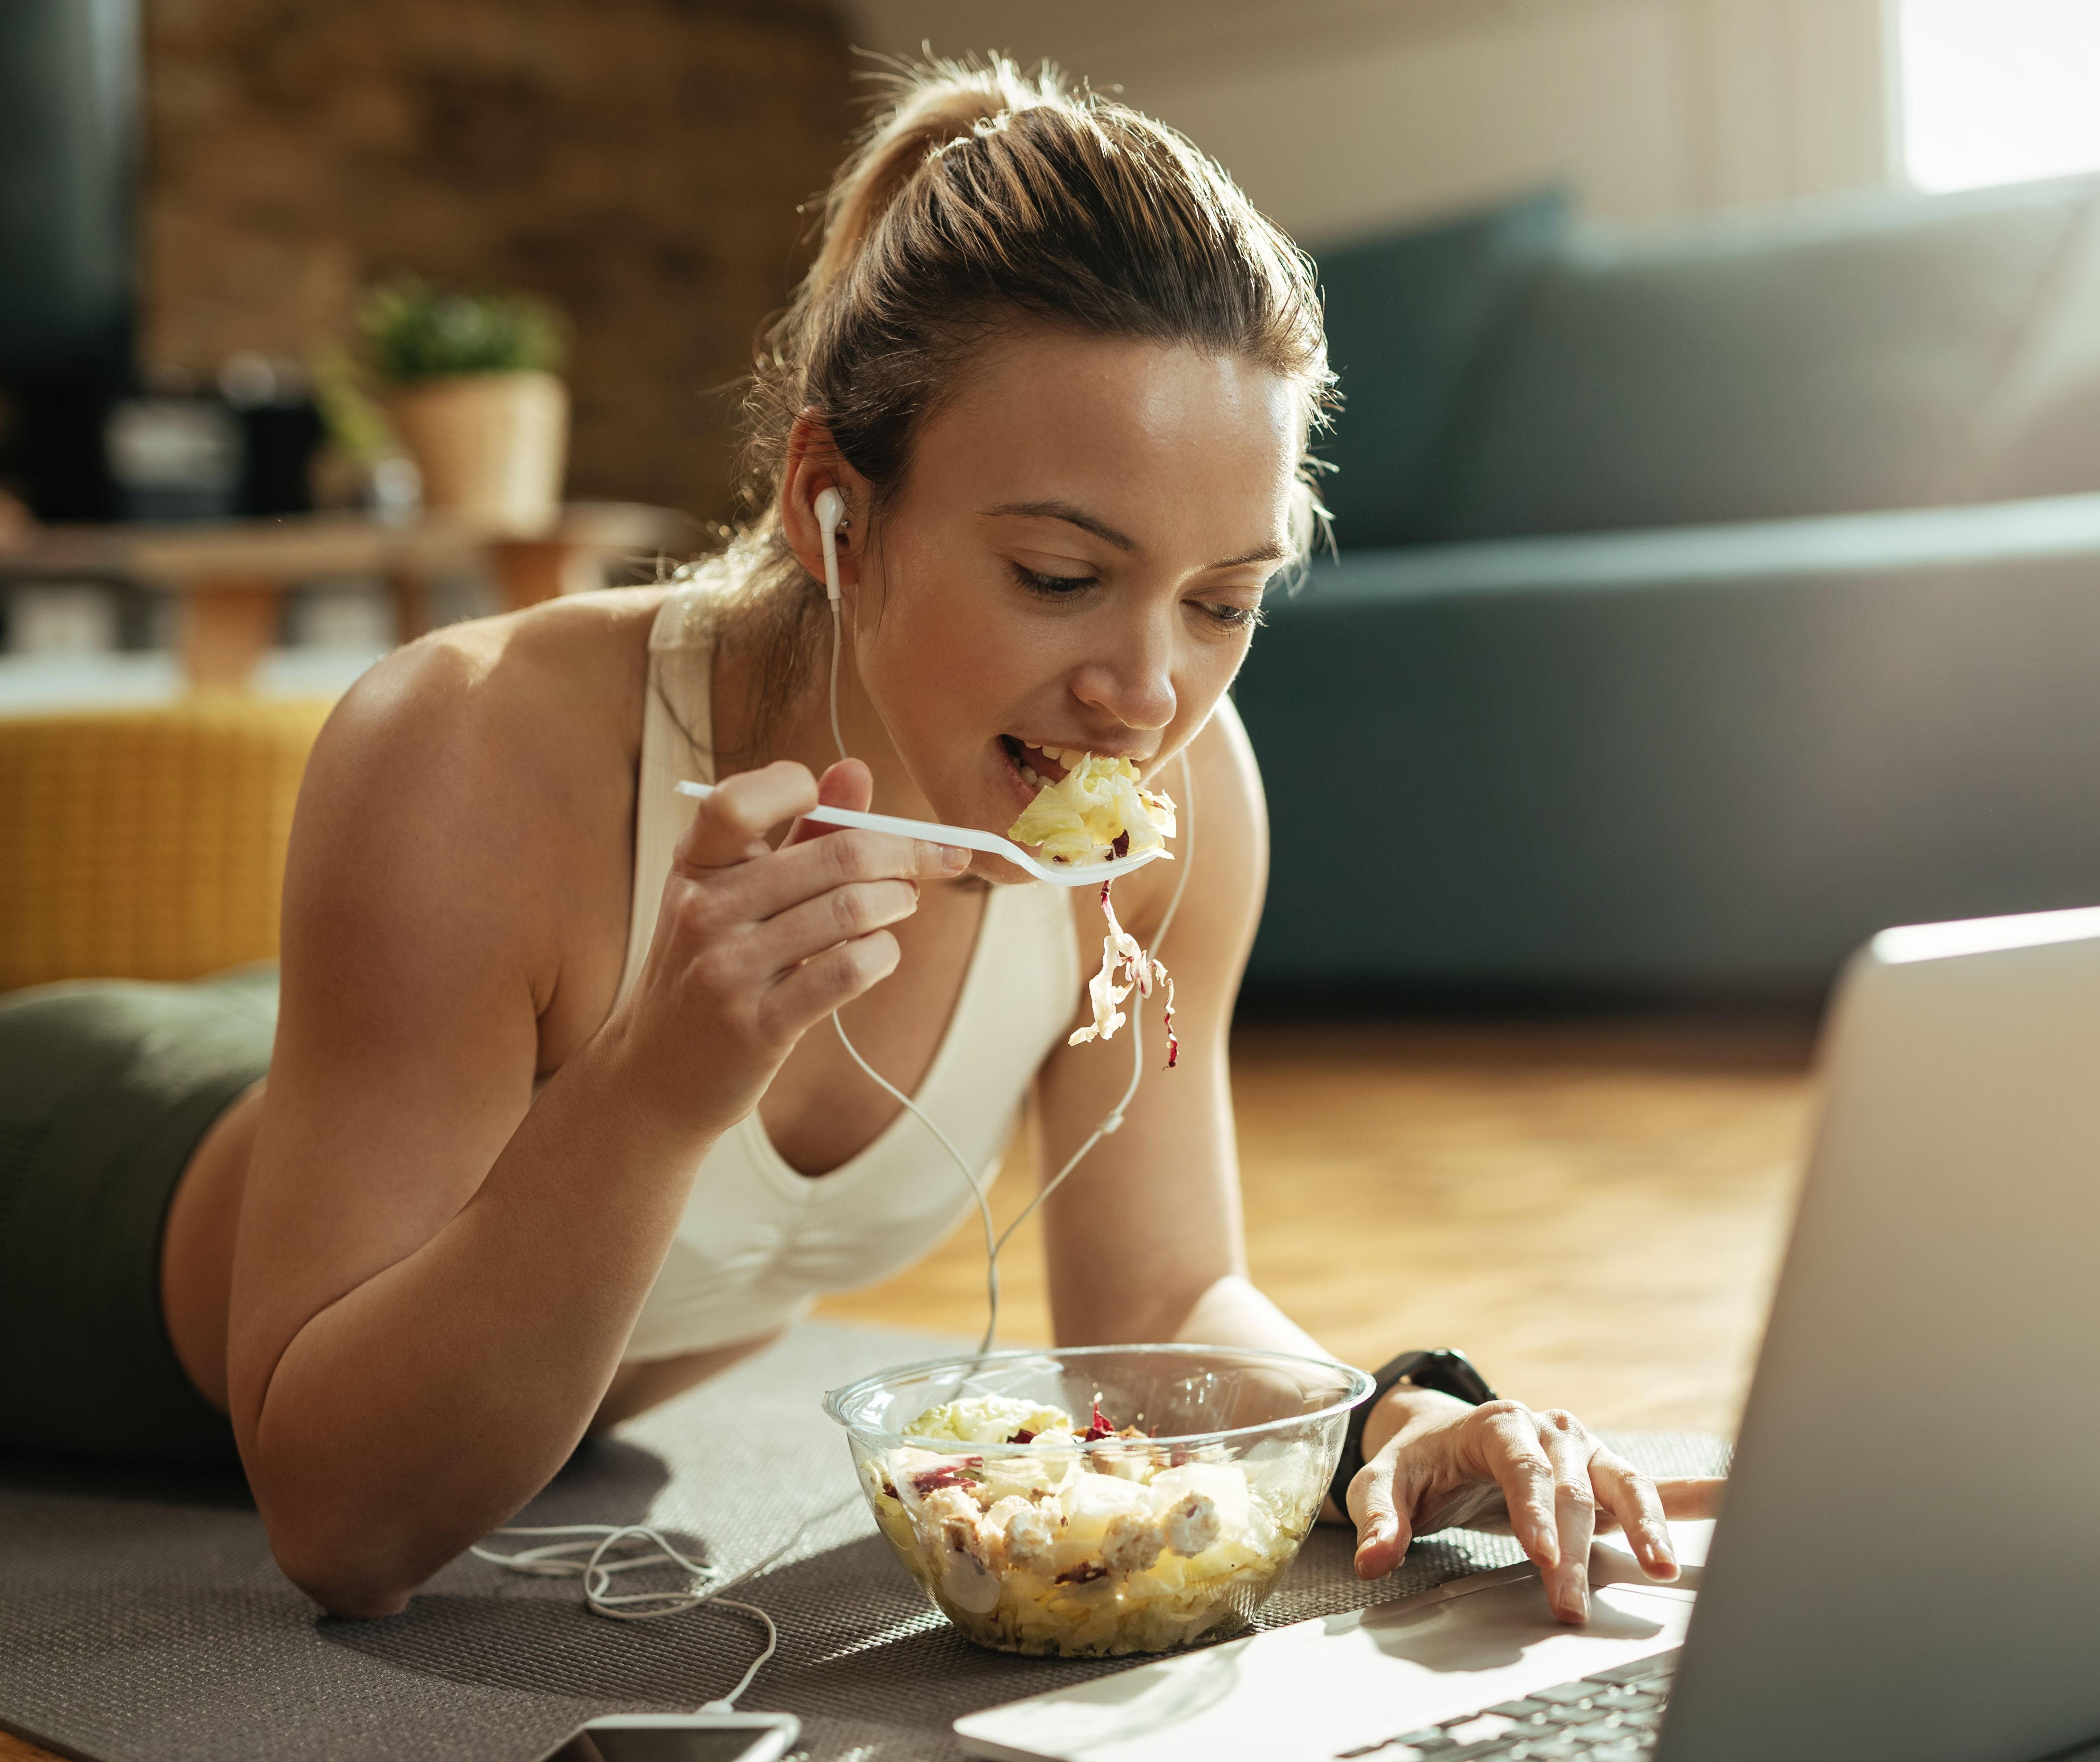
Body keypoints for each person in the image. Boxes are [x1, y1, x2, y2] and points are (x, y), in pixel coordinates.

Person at [0, 59, 1715, 1622]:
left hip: (406, 1113)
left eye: (1224, 600)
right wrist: (664, 1074)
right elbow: (340, 1522)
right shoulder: (472, 747)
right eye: (1060, 576)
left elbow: (1170, 1289)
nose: (1145, 693)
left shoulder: (1186, 795)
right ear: (835, 499)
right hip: (83, 1171)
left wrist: (1397, 1411)